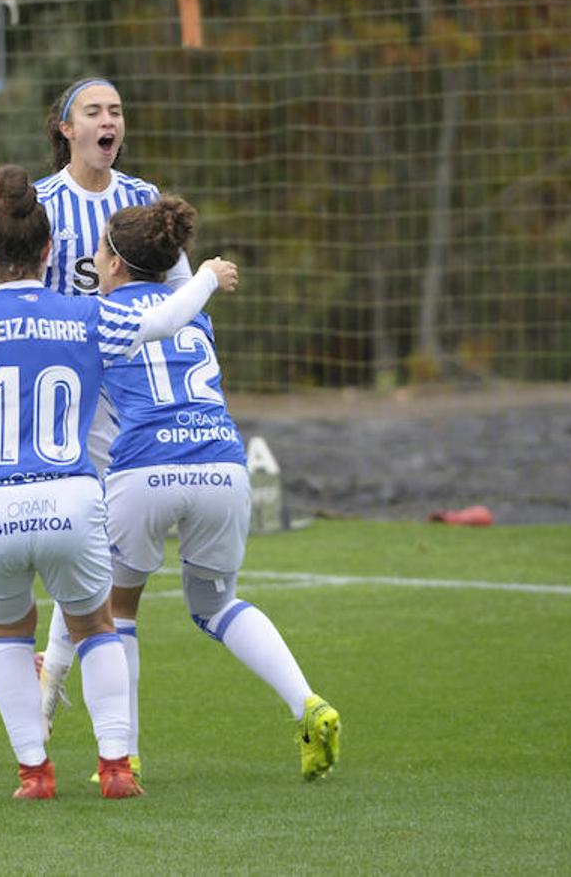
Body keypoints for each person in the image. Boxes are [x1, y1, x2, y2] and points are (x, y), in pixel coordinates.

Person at [0, 165, 237, 798]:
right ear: (51, 250)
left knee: (8, 633)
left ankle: (34, 772)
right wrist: (207, 277)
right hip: (72, 500)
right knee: (95, 627)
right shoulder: (87, 315)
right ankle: (115, 766)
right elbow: (166, 321)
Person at [0, 77, 192, 721]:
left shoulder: (142, 202)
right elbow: (6, 311)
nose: (110, 120)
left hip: (120, 394)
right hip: (52, 386)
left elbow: (179, 298)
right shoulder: (42, 205)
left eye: (117, 110)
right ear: (65, 129)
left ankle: (50, 680)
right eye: (94, 110)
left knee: (91, 541)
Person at [94, 195, 340, 780]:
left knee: (116, 610)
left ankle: (124, 757)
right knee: (217, 604)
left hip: (144, 470)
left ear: (115, 265)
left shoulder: (101, 318)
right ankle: (306, 703)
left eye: (102, 251)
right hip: (224, 467)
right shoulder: (196, 315)